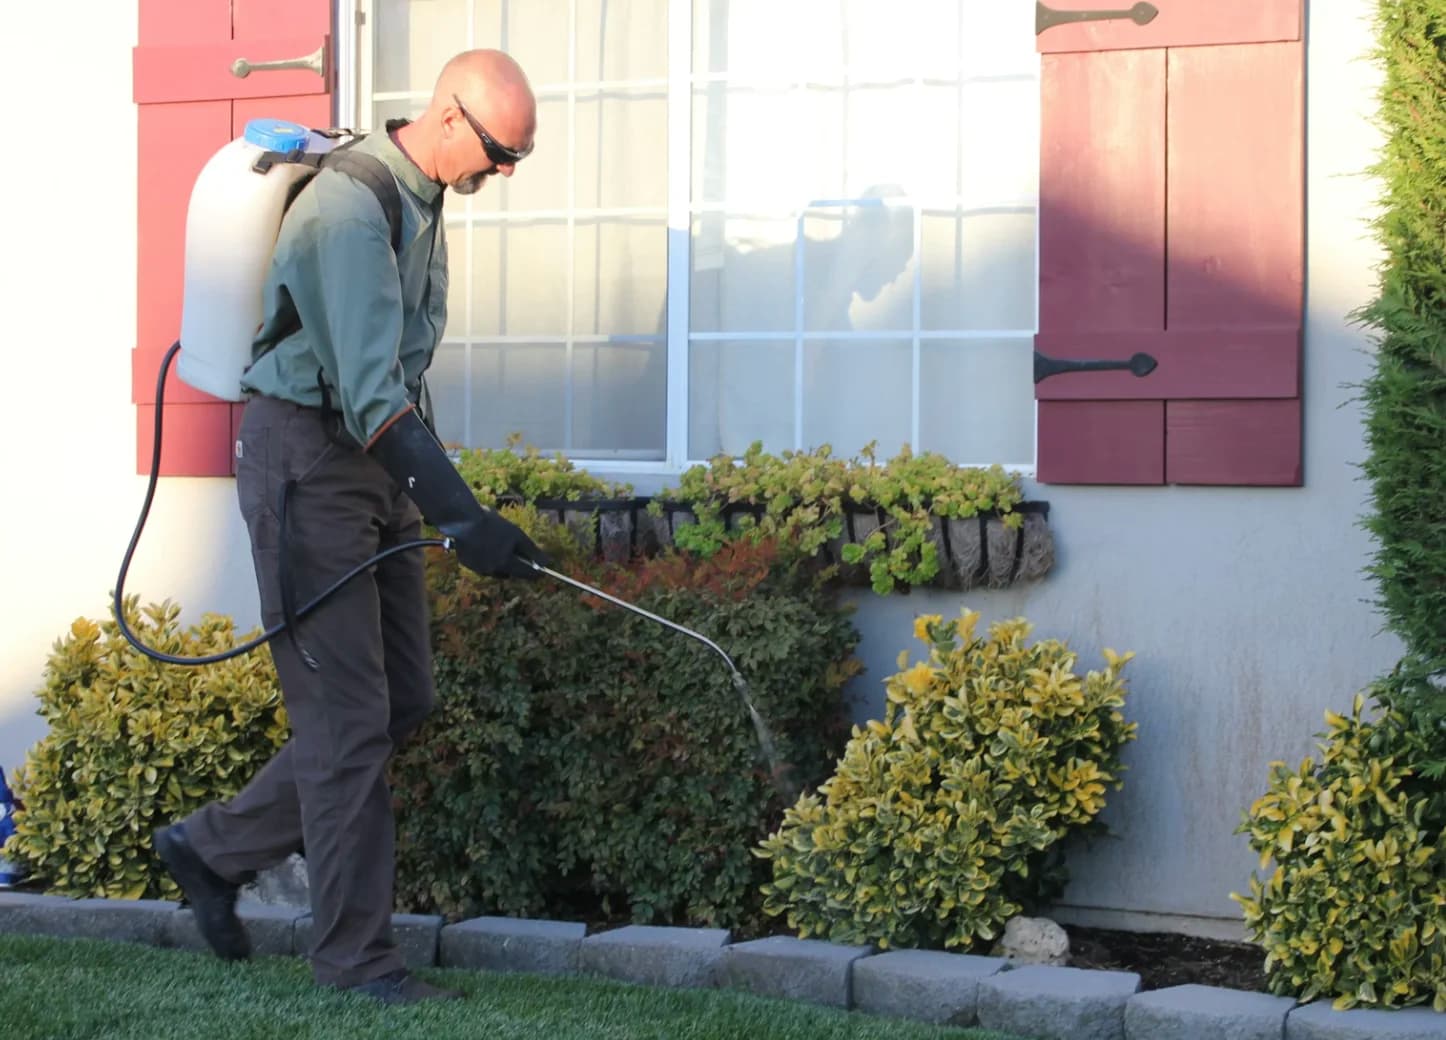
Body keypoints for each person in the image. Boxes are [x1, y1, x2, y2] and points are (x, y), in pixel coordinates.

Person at [152, 49, 548, 1005]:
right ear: (449, 116)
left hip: (369, 468)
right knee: (344, 728)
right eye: (500, 153)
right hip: (307, 467)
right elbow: (371, 394)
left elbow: (400, 371)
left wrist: (447, 502)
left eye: (517, 159)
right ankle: (357, 962)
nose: (503, 173)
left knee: (401, 696)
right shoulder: (348, 210)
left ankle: (211, 849)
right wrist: (463, 517)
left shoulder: (424, 198)